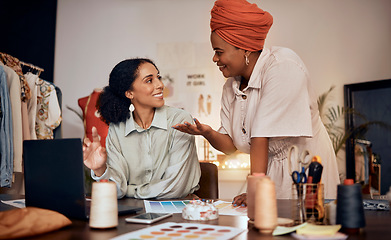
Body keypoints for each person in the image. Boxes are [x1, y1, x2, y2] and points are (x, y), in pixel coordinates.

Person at [173, 0, 340, 204]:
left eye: (219, 52)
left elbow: (261, 136)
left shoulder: (282, 66)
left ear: (244, 49)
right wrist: (208, 133)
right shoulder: (230, 87)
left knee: (305, 227)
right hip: (266, 175)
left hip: (304, 169)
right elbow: (231, 147)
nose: (214, 59)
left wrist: (255, 189)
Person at [83, 58, 201, 199]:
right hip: (133, 211)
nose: (160, 85)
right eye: (149, 80)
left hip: (177, 208)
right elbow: (116, 191)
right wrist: (100, 169)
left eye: (158, 77)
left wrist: (129, 191)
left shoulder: (180, 120)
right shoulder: (117, 128)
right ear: (129, 93)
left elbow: (175, 187)